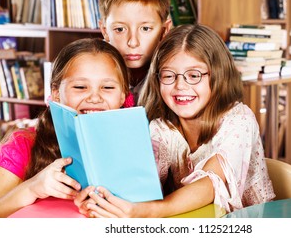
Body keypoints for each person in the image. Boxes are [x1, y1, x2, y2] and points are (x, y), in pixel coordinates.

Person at [74, 24, 275, 218]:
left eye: (194, 75)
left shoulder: (239, 119)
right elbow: (140, 181)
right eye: (169, 75)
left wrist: (145, 212)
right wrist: (101, 200)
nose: (180, 86)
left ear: (219, 75)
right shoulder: (161, 128)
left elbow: (210, 185)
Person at [0, 38, 130, 217]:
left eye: (107, 87)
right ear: (56, 94)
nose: (94, 97)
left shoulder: (133, 144)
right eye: (80, 87)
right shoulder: (23, 144)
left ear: (123, 95)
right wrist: (32, 188)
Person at [98, 0, 172, 104]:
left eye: (145, 29)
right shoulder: (92, 73)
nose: (133, 42)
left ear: (164, 31)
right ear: (104, 30)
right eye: (120, 29)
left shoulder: (173, 79)